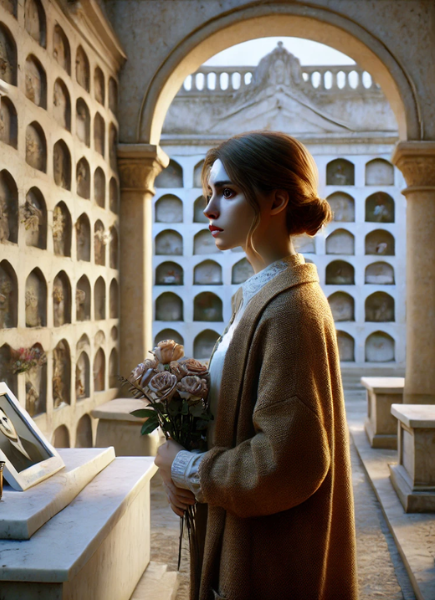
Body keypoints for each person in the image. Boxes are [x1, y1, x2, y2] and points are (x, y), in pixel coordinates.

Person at [154, 131, 359, 600]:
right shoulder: (256, 294)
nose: (208, 210)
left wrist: (186, 467)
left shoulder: (291, 308)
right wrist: (180, 467)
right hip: (247, 538)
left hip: (269, 559)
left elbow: (289, 461)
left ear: (277, 199)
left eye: (227, 193)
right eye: (209, 194)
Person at [0, 402, 46, 473]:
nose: (6, 427)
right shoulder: (5, 456)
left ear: (10, 419)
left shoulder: (31, 445)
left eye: (5, 419)